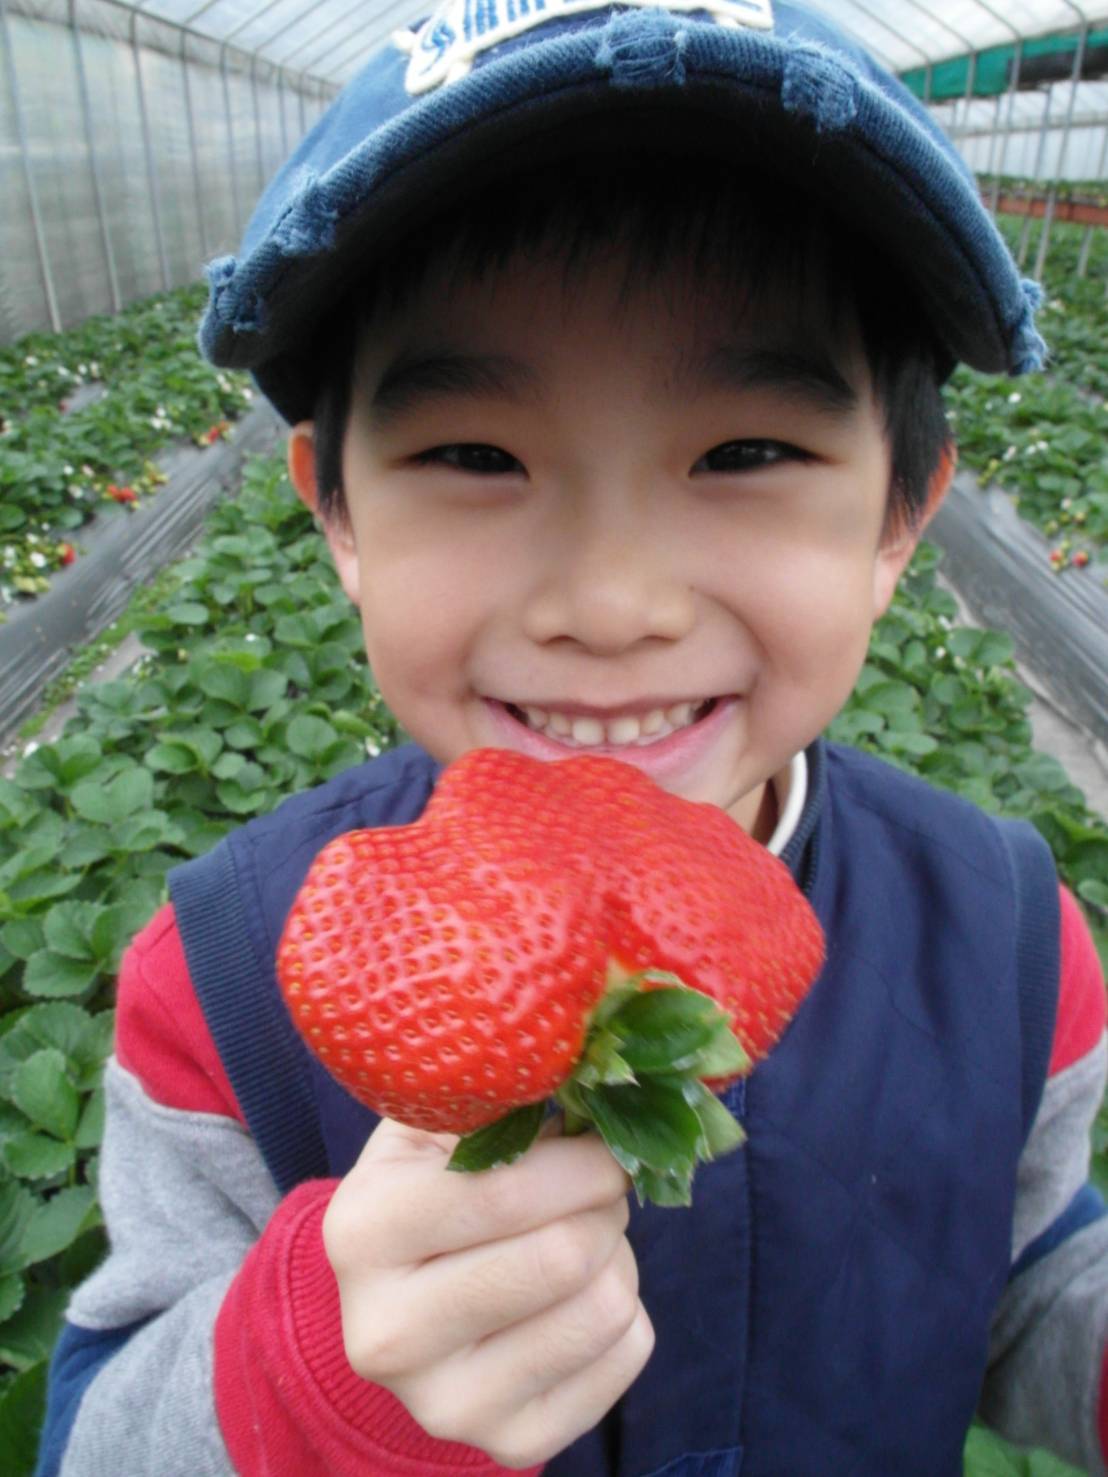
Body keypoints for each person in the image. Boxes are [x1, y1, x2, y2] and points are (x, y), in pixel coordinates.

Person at [35, 2, 1108, 1474]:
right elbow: (97, 1429)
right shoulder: (221, 977)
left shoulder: (1007, 943)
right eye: (474, 455)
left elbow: (1035, 1278)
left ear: (900, 519)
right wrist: (307, 1390)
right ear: (335, 510)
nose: (611, 604)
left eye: (746, 454)